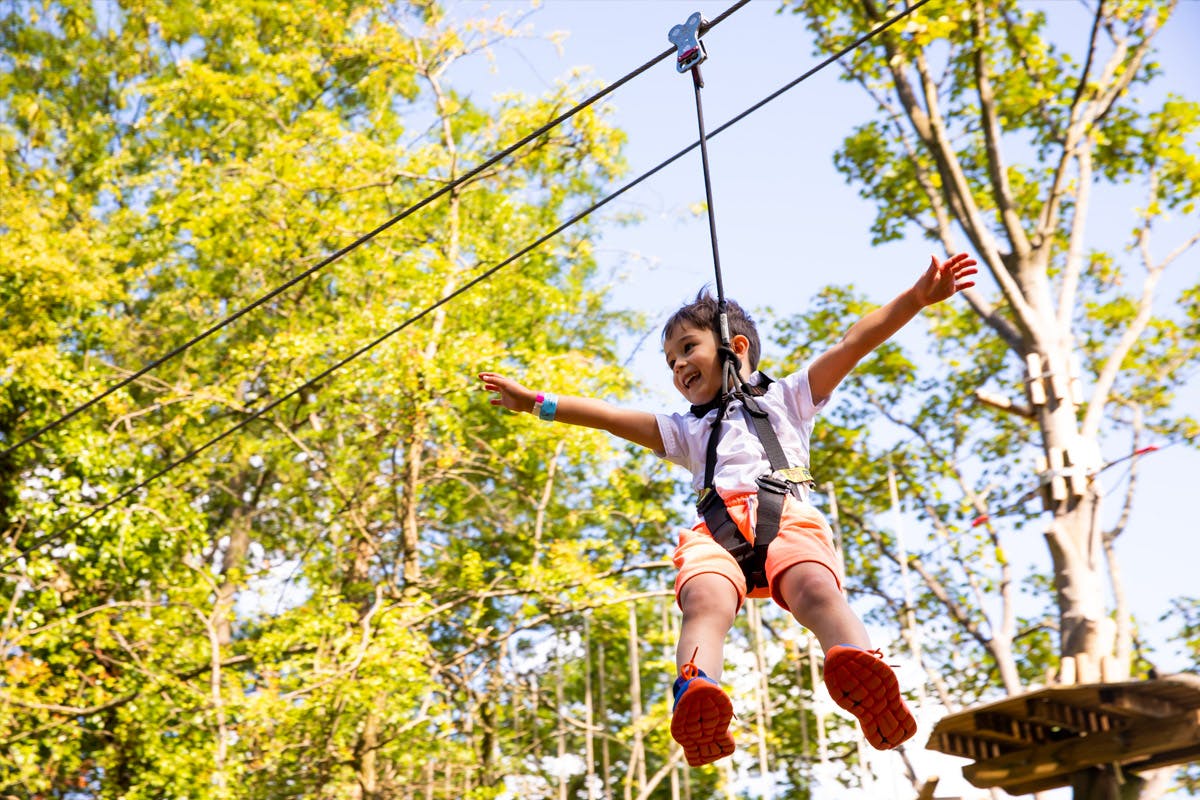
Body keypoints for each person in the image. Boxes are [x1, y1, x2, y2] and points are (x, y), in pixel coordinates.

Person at [479, 252, 977, 766]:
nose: (677, 367)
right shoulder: (685, 430)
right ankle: (697, 689)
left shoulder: (789, 398)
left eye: (687, 349)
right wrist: (536, 403)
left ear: (735, 348)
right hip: (717, 535)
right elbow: (608, 417)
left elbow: (853, 343)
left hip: (785, 517)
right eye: (670, 362)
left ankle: (858, 666)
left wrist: (917, 299)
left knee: (815, 589)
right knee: (704, 601)